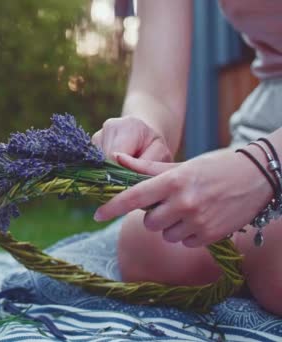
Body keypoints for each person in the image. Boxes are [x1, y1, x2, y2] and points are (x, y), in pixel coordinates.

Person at [90, 0, 282, 315]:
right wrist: (141, 130)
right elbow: (155, 94)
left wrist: (265, 165)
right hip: (267, 118)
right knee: (150, 243)